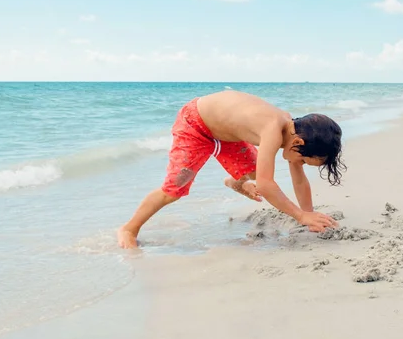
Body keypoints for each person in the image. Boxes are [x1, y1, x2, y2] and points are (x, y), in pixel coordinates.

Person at [117, 90, 346, 249]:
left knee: (259, 174)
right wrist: (300, 216)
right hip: (194, 125)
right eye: (305, 161)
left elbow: (299, 180)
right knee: (174, 189)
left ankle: (236, 182)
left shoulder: (296, 132)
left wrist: (308, 215)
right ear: (299, 144)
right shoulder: (272, 130)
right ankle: (129, 229)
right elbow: (266, 187)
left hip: (226, 135)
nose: (300, 165)